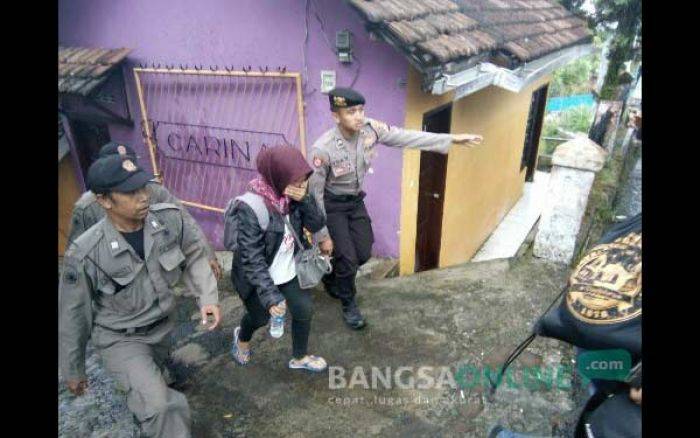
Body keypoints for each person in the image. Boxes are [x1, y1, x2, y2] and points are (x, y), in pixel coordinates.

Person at [59, 154, 221, 437]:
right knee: (161, 406)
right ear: (104, 200)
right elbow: (73, 315)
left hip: (163, 329)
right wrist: (73, 369)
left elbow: (194, 252)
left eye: (143, 187)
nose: (143, 196)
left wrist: (207, 297)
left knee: (150, 393)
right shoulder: (85, 254)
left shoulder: (168, 219)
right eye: (130, 192)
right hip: (121, 339)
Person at [308, 87, 483, 329]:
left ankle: (331, 275)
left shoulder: (371, 129)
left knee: (362, 252)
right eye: (350, 112)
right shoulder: (323, 148)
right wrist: (322, 235)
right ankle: (348, 303)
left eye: (360, 110)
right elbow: (314, 194)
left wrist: (450, 139)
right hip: (332, 205)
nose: (358, 116)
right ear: (336, 116)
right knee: (347, 260)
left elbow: (405, 137)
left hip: (355, 202)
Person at [225, 145, 332, 372]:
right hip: (257, 277)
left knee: (304, 310)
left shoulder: (296, 196)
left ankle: (299, 357)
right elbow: (252, 259)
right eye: (296, 181)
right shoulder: (250, 207)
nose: (302, 186)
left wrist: (305, 199)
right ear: (278, 177)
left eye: (305, 180)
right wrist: (271, 296)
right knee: (260, 317)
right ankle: (241, 339)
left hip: (288, 270)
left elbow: (316, 224)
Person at [67, 141, 222, 279]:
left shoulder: (154, 190)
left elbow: (185, 221)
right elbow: (77, 256)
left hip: (160, 275)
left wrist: (206, 254)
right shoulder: (86, 207)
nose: (142, 196)